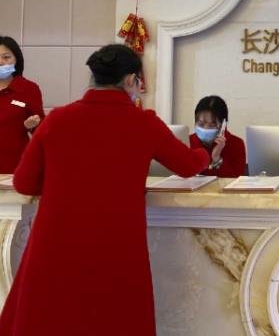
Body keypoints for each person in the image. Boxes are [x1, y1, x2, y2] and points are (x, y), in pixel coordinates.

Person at [0, 44, 210, 336]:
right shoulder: (143, 123)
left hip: (55, 246)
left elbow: (24, 182)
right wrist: (205, 152)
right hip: (116, 249)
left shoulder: (58, 119)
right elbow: (188, 165)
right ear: (130, 80)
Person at [0, 36, 44, 174]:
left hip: (14, 168)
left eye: (6, 57)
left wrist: (32, 125)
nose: (0, 62)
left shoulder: (28, 89)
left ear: (16, 59)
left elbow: (41, 130)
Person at [190, 95, 246, 178]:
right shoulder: (189, 141)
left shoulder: (236, 144)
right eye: (201, 124)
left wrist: (217, 159)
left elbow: (236, 180)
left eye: (212, 124)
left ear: (223, 124)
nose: (205, 128)